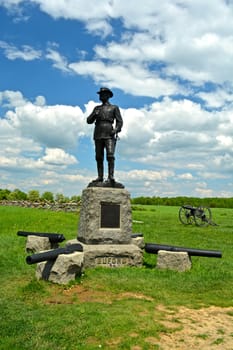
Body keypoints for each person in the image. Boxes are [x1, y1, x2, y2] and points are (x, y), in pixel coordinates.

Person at [87, 87, 123, 183]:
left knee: (110, 155)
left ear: (108, 96)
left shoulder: (114, 108)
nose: (101, 96)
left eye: (103, 94)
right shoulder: (97, 108)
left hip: (109, 133)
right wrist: (94, 114)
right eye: (100, 94)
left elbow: (120, 122)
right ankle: (100, 177)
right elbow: (88, 121)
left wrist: (115, 130)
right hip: (98, 133)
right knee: (99, 156)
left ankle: (111, 177)